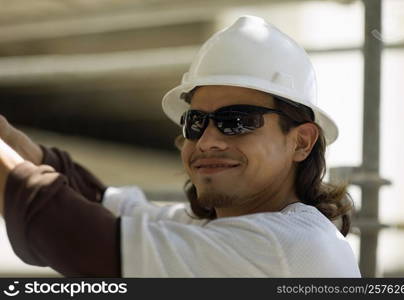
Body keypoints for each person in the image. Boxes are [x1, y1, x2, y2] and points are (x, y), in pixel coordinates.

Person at [0, 15, 361, 277]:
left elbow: (94, 246)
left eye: (237, 121)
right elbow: (97, 203)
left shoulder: (290, 247)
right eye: (196, 122)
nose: (208, 140)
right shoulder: (225, 230)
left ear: (301, 141)